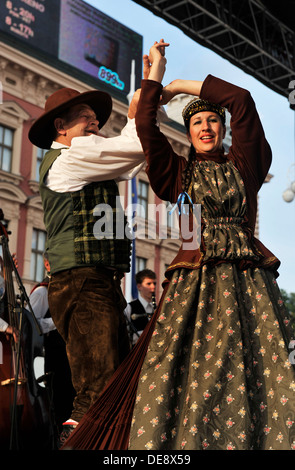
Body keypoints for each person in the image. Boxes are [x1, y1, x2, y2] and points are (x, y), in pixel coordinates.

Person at [62, 40, 295, 451]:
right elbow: (147, 129)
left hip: (247, 284)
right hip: (196, 286)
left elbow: (241, 100)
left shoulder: (248, 165)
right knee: (188, 369)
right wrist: (156, 73)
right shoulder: (177, 174)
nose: (205, 128)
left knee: (257, 368)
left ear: (223, 129)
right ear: (187, 134)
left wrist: (182, 88)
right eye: (196, 123)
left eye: (212, 121)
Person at [28, 83, 145, 441]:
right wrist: (143, 103)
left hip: (95, 281)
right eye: (86, 119)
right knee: (98, 392)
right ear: (61, 127)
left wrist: (145, 96)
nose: (94, 123)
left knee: (117, 387)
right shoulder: (71, 157)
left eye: (96, 119)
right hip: (82, 281)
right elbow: (135, 148)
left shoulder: (83, 160)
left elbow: (127, 157)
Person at [29, 253, 75, 445]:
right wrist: (57, 322)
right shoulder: (41, 293)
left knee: (70, 398)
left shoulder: (66, 290)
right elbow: (32, 323)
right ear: (47, 264)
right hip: (53, 356)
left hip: (70, 355)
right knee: (58, 400)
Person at [124, 269, 156, 346]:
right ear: (139, 286)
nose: (153, 287)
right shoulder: (129, 308)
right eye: (148, 284)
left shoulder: (158, 309)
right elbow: (125, 336)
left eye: (154, 283)